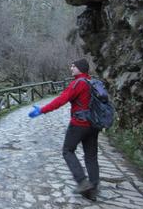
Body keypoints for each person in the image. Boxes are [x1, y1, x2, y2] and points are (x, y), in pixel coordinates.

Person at [28, 58, 99, 201]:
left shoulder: (78, 83)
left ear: (80, 68)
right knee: (91, 156)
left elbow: (61, 100)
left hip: (79, 124)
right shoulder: (92, 83)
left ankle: (83, 182)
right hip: (93, 125)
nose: (71, 68)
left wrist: (42, 110)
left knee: (67, 151)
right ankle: (93, 188)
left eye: (73, 66)